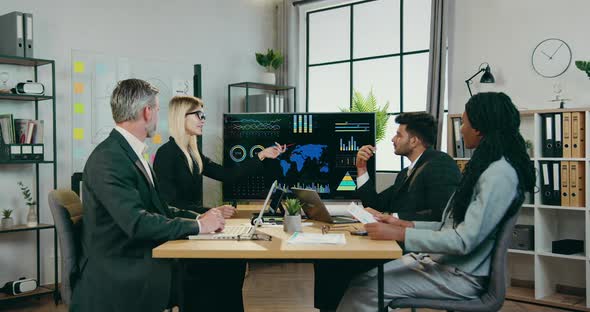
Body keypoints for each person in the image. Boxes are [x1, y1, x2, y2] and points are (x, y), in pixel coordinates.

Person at [336, 92, 536, 312]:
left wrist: (401, 234)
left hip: (461, 275)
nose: (460, 129)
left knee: (365, 290)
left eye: (465, 123)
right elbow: (451, 225)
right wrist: (406, 225)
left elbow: (462, 240)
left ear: (478, 128)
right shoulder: (489, 167)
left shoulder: (498, 173)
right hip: (447, 264)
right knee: (360, 281)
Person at [70, 79, 225, 312]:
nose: (158, 117)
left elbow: (159, 208)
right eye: (157, 110)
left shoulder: (131, 153)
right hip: (124, 269)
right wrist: (199, 228)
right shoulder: (110, 159)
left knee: (224, 268)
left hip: (135, 255)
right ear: (147, 111)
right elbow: (137, 222)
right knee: (217, 273)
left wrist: (198, 220)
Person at [314, 112, 461, 312]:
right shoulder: (406, 173)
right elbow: (375, 202)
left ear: (415, 140)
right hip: (393, 241)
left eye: (399, 135)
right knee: (329, 259)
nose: (393, 139)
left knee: (334, 263)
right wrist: (361, 167)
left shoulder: (439, 163)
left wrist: (394, 218)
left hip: (415, 247)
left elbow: (442, 216)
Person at [153, 95, 285, 312]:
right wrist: (206, 213)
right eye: (199, 115)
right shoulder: (167, 155)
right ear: (180, 117)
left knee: (235, 260)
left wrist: (261, 155)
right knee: (229, 262)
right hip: (181, 234)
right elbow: (168, 206)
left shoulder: (193, 154)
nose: (203, 119)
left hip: (196, 229)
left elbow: (228, 175)